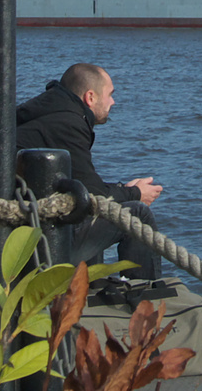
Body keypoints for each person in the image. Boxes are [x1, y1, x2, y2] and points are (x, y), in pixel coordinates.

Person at [14, 63, 162, 279]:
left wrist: (124, 191)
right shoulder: (68, 123)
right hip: (40, 247)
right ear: (90, 97)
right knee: (138, 214)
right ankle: (142, 298)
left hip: (18, 237)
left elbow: (84, 187)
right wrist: (135, 193)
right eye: (110, 95)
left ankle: (89, 286)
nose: (113, 102)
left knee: (87, 210)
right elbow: (93, 194)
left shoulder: (45, 113)